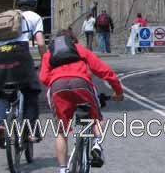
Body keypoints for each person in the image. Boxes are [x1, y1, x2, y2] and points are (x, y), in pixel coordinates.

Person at [40, 28, 124, 171]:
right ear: (73, 40)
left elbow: (43, 78)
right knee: (97, 119)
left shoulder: (49, 54)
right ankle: (97, 144)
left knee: (61, 131)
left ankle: (62, 169)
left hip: (58, 87)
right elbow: (104, 71)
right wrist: (118, 91)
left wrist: (57, 81)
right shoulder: (80, 49)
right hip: (82, 84)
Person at [0, 0, 46, 148]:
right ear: (33, 5)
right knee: (31, 92)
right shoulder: (34, 17)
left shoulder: (5, 17)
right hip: (20, 55)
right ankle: (30, 131)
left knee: (2, 94)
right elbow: (40, 43)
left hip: (0, 55)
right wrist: (45, 61)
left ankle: (0, 125)